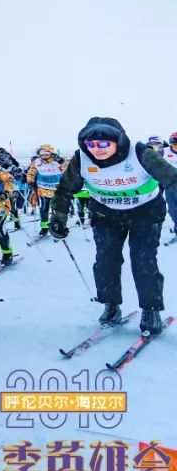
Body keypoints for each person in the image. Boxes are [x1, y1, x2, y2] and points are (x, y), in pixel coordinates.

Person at [50, 117, 177, 336]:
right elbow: (65, 189)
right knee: (106, 261)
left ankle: (150, 309)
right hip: (106, 214)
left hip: (145, 213)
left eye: (103, 144)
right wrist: (59, 216)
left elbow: (172, 179)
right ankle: (111, 305)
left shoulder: (140, 153)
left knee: (143, 261)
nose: (96, 150)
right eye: (91, 145)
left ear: (117, 141)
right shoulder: (81, 159)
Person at [27, 144, 66, 237]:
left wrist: (61, 161)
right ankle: (44, 228)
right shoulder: (37, 162)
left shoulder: (57, 161)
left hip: (56, 190)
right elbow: (31, 172)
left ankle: (56, 226)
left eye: (46, 153)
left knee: (56, 210)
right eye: (42, 153)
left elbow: (66, 170)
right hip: (43, 190)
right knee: (43, 209)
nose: (44, 155)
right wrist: (30, 181)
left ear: (51, 153)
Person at [162, 132, 177, 242]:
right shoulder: (163, 152)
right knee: (172, 210)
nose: (176, 147)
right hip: (170, 186)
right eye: (174, 144)